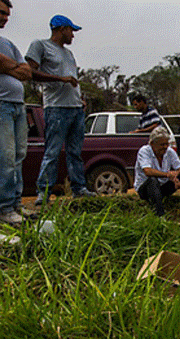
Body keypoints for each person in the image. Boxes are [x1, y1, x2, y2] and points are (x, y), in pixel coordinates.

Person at [26, 14, 96, 205]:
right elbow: (30, 72)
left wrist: (80, 99)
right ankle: (44, 191)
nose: (73, 35)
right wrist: (60, 80)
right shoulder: (40, 45)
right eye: (71, 31)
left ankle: (79, 188)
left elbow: (72, 79)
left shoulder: (69, 54)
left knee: (75, 152)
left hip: (75, 109)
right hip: (56, 108)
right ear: (60, 29)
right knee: (53, 151)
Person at [0, 0, 32, 225]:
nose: (5, 18)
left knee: (19, 155)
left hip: (18, 105)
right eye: (2, 13)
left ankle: (16, 204)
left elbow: (27, 71)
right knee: (6, 157)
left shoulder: (8, 43)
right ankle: (4, 207)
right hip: (1, 105)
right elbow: (17, 69)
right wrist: (15, 69)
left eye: (8, 15)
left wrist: (6, 65)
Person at [134, 127, 180, 221]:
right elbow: (148, 171)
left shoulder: (169, 151)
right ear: (152, 144)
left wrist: (175, 175)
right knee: (152, 180)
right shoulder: (144, 151)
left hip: (161, 188)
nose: (165, 147)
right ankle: (160, 216)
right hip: (146, 190)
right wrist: (168, 175)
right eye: (162, 144)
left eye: (166, 144)